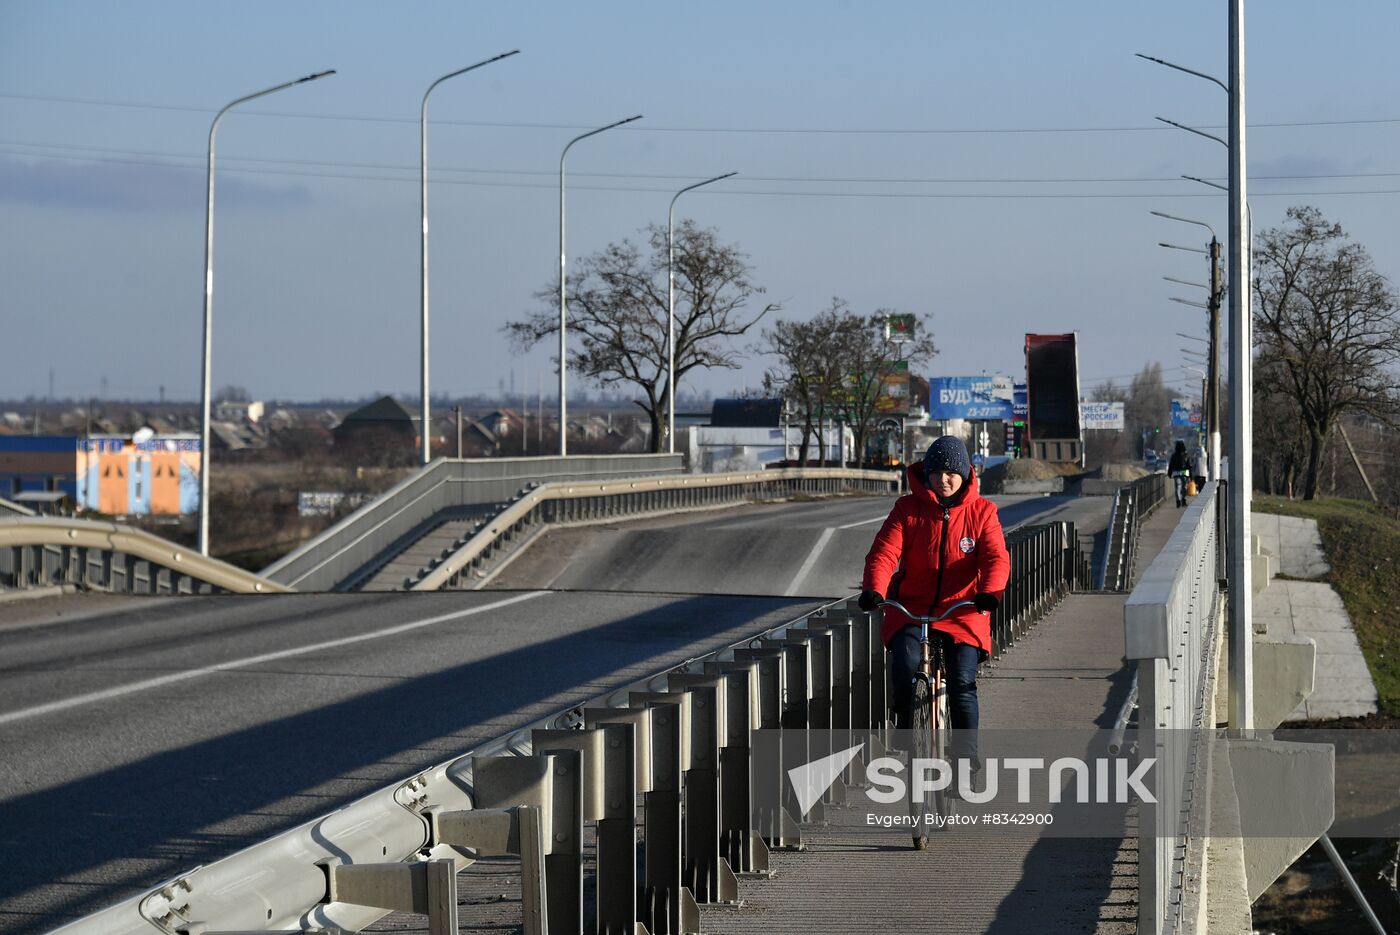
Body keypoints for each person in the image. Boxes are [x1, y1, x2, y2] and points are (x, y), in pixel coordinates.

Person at [858, 435, 1009, 779]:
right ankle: (905, 722)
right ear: (926, 473)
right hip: (912, 608)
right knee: (906, 661)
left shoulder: (982, 512)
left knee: (962, 682)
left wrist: (989, 593)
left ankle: (966, 760)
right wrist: (874, 590)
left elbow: (996, 557)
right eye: (937, 472)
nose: (944, 479)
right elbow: (884, 553)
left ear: (965, 475)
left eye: (951, 472)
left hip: (963, 610)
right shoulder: (907, 510)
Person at [1168, 439, 1190, 507]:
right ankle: (1183, 500)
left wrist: (1169, 473)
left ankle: (1178, 500)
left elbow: (1171, 465)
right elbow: (1188, 465)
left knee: (1178, 487)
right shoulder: (1185, 455)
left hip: (1176, 472)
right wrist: (1191, 476)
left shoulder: (1174, 455)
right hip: (1184, 473)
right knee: (1184, 487)